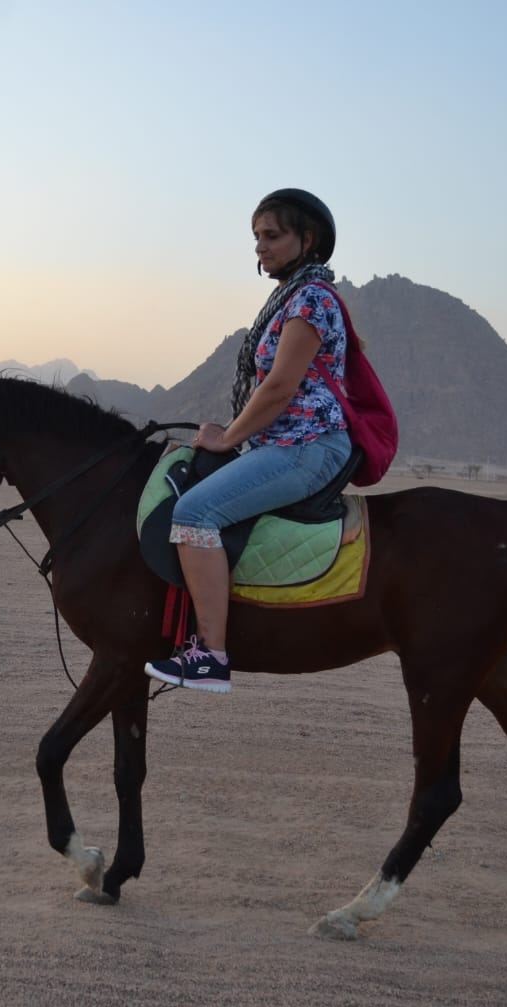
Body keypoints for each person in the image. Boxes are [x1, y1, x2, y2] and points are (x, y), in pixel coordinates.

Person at [144, 188, 356, 694]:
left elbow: (279, 388)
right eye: (256, 237)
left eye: (272, 236)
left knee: (194, 514)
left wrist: (228, 438)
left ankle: (210, 655)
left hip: (307, 446)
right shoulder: (290, 297)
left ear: (308, 240)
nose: (260, 247)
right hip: (283, 443)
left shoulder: (311, 299)